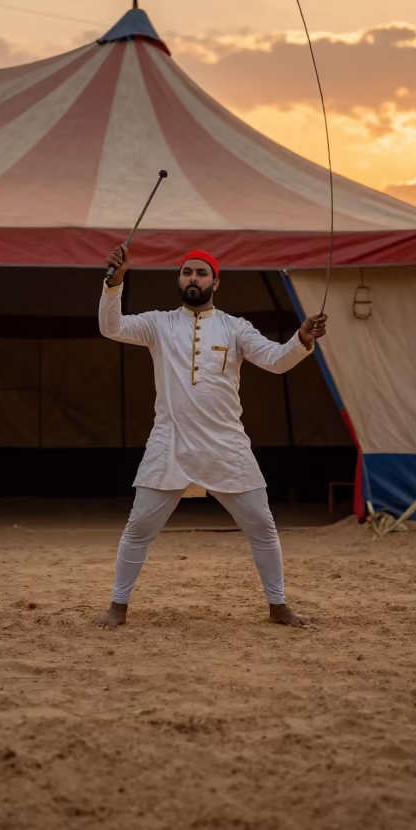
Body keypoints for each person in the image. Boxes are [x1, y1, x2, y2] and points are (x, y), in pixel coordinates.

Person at [94, 247, 327, 629]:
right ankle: (118, 607)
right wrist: (114, 281)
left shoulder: (236, 328)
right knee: (138, 529)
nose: (193, 278)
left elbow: (275, 360)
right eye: (187, 272)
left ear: (215, 282)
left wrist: (300, 338)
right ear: (179, 279)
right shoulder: (159, 324)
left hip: (226, 445)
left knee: (262, 526)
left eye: (201, 273)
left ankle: (278, 606)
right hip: (170, 443)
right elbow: (111, 327)